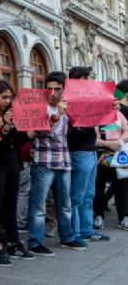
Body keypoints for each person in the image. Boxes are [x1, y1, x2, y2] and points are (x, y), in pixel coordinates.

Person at [25, 71, 81, 256]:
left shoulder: (68, 108)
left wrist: (111, 108)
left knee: (65, 204)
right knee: (38, 204)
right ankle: (35, 241)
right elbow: (35, 133)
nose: (53, 92)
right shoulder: (38, 107)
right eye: (49, 88)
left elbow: (87, 119)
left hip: (64, 161)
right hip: (43, 161)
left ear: (63, 90)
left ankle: (67, 237)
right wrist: (56, 115)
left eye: (57, 89)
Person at [0, 79, 34, 267]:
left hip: (12, 163)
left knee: (10, 206)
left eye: (10, 97)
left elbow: (19, 140)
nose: (7, 101)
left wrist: (33, 131)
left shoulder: (13, 113)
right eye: (4, 97)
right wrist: (4, 125)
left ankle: (13, 242)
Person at [66, 67, 110, 243]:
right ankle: (75, 233)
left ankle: (87, 230)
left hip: (90, 151)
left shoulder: (87, 99)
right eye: (90, 78)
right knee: (77, 196)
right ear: (82, 79)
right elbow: (71, 130)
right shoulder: (70, 100)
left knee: (89, 194)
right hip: (79, 152)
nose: (93, 81)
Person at [93, 108, 128, 230]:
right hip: (101, 153)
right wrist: (107, 144)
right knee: (99, 185)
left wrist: (119, 141)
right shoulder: (94, 116)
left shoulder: (118, 114)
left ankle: (124, 216)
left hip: (117, 153)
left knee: (120, 185)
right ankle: (98, 215)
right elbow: (92, 138)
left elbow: (126, 130)